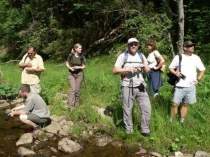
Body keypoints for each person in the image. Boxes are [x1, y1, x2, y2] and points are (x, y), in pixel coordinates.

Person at [113, 38, 151, 136]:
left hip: (141, 86)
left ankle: (145, 129)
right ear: (128, 46)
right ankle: (129, 130)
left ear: (138, 45)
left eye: (135, 44)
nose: (133, 46)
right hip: (127, 86)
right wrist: (127, 69)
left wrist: (146, 69)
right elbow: (115, 70)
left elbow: (147, 68)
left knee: (146, 108)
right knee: (127, 109)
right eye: (131, 44)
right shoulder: (123, 56)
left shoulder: (141, 56)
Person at [169, 40, 205, 123]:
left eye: (193, 46)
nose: (192, 47)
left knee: (185, 104)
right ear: (184, 48)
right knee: (175, 104)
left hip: (191, 86)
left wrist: (198, 80)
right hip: (179, 85)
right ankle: (171, 120)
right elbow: (170, 68)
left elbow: (202, 70)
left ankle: (182, 120)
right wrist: (176, 73)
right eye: (189, 46)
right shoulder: (178, 57)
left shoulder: (196, 58)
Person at [66, 43, 86, 110]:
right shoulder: (71, 55)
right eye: (79, 48)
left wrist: (78, 67)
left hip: (79, 74)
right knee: (73, 89)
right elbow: (67, 63)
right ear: (76, 49)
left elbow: (84, 66)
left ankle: (77, 105)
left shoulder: (82, 57)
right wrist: (70, 67)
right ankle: (70, 106)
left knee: (77, 90)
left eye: (81, 48)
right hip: (71, 74)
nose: (81, 49)